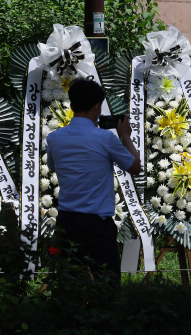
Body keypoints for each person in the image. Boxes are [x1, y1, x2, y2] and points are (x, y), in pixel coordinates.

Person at [46, 78, 141, 285]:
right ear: (97, 106)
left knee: (68, 286)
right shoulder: (105, 138)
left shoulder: (54, 138)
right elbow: (135, 167)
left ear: (71, 106)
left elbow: (53, 166)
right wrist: (126, 136)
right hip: (97, 225)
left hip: (67, 222)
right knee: (107, 285)